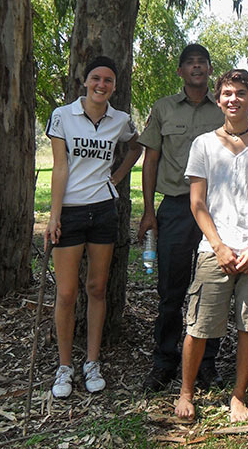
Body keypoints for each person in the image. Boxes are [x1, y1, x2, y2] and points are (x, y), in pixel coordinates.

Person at [174, 69, 248, 422]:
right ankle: (186, 392)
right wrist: (218, 246)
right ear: (218, 99)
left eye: (240, 92)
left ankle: (239, 394)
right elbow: (198, 203)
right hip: (214, 250)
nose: (233, 98)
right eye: (226, 93)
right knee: (199, 323)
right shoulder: (203, 144)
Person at [44, 56, 143, 398]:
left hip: (103, 210)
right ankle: (64, 366)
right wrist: (54, 216)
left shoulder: (121, 120)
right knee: (67, 293)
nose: (102, 85)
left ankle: (92, 362)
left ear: (115, 86)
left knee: (98, 288)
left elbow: (136, 146)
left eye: (108, 81)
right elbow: (59, 168)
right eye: (96, 79)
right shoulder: (62, 116)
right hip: (69, 213)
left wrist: (116, 177)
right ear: (85, 82)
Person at [138, 44, 225, 393]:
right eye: (189, 63)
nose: (196, 68)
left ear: (209, 69)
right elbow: (151, 161)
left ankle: (206, 363)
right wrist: (147, 210)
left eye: (202, 62)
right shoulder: (163, 108)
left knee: (211, 288)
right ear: (180, 71)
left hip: (215, 210)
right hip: (174, 207)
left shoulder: (222, 111)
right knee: (171, 290)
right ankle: (165, 360)